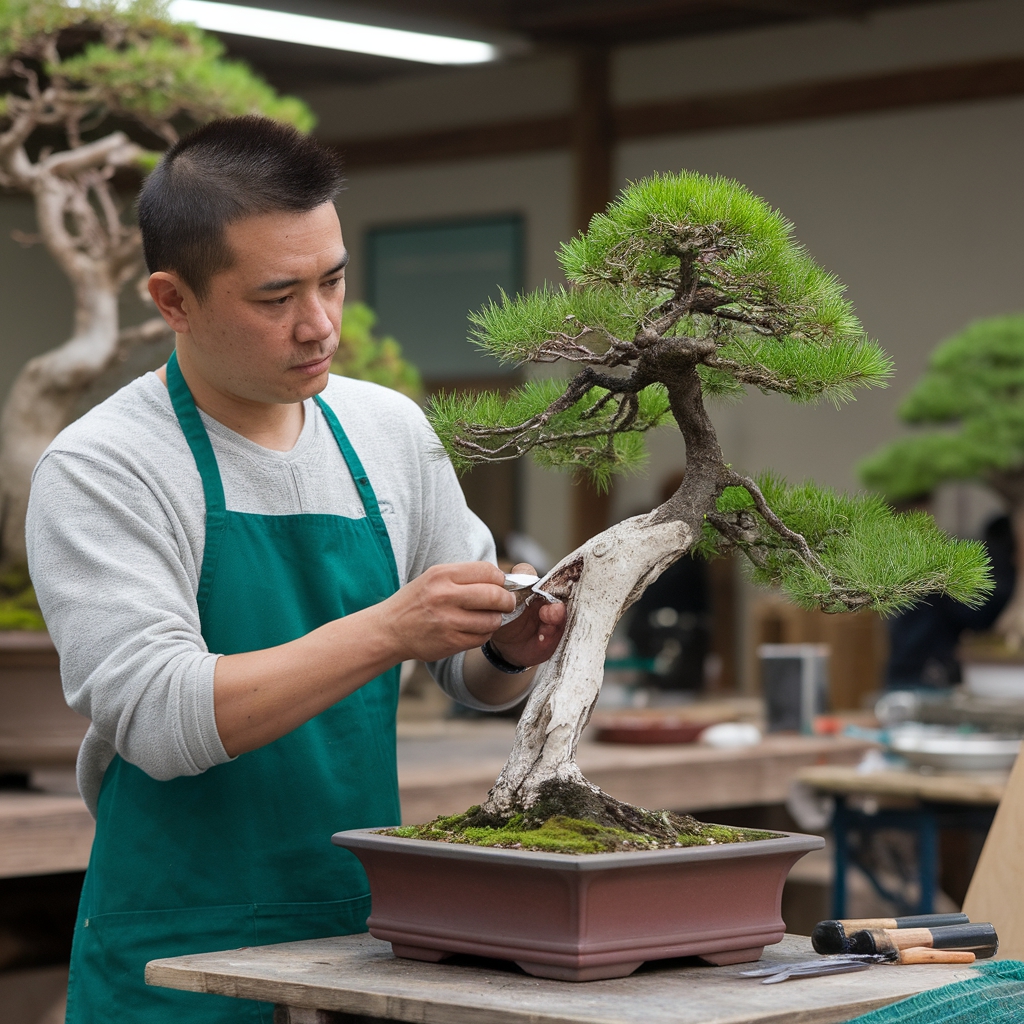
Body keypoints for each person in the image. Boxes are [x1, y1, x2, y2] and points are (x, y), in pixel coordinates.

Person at [25, 117, 565, 1023]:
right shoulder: (105, 466)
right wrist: (393, 627)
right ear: (174, 300)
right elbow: (159, 716)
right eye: (275, 297)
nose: (319, 325)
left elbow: (468, 678)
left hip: (365, 926)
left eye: (334, 280)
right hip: (180, 945)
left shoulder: (389, 431)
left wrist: (508, 646)